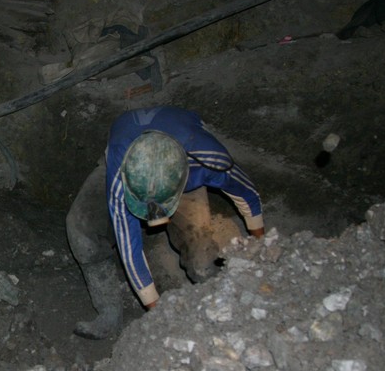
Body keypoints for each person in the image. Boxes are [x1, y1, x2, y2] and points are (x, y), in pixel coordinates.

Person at [66, 106, 264, 340]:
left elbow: (248, 196)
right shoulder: (121, 177)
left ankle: (218, 314)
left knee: (203, 263)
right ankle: (109, 314)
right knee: (81, 230)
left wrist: (261, 247)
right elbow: (129, 250)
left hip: (180, 164)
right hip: (128, 164)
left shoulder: (208, 161)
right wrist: (158, 314)